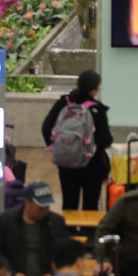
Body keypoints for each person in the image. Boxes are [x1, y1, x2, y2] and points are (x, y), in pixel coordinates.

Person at [42, 70, 112, 211]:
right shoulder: (96, 109)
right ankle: (88, 232)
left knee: (69, 204)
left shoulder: (64, 102)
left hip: (66, 163)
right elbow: (105, 141)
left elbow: (46, 127)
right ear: (95, 88)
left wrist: (59, 147)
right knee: (91, 206)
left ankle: (69, 232)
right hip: (92, 166)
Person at [0, 182, 69, 276]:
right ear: (27, 202)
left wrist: (53, 274)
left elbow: (66, 254)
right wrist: (12, 274)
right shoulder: (6, 221)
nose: (45, 209)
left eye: (47, 206)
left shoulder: (57, 222)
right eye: (40, 206)